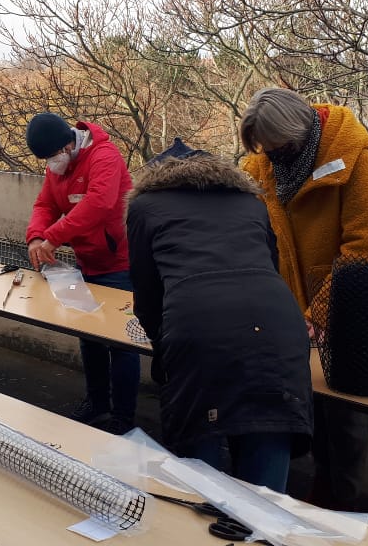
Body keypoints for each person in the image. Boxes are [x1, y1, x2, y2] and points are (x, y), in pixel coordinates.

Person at [240, 87, 368, 510]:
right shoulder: (262, 165)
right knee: (308, 399)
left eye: (278, 147)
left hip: (362, 300)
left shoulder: (356, 158)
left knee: (347, 412)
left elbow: (364, 245)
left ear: (298, 132)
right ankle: (321, 487)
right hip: (295, 303)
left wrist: (323, 311)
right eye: (264, 149)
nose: (271, 157)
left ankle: (341, 503)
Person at [126, 138, 312, 492]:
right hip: (277, 321)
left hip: (197, 323)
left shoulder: (146, 206)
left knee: (200, 470)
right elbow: (270, 266)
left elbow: (147, 295)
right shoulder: (250, 202)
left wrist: (162, 348)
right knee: (267, 462)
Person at [23, 113, 139, 435]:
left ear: (67, 145)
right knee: (89, 336)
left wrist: (54, 237)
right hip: (87, 262)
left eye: (51, 156)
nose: (50, 163)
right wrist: (36, 236)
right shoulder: (58, 165)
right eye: (44, 159)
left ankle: (124, 416)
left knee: (121, 342)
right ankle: (97, 403)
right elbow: (45, 204)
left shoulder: (105, 156)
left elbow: (98, 204)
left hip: (119, 263)